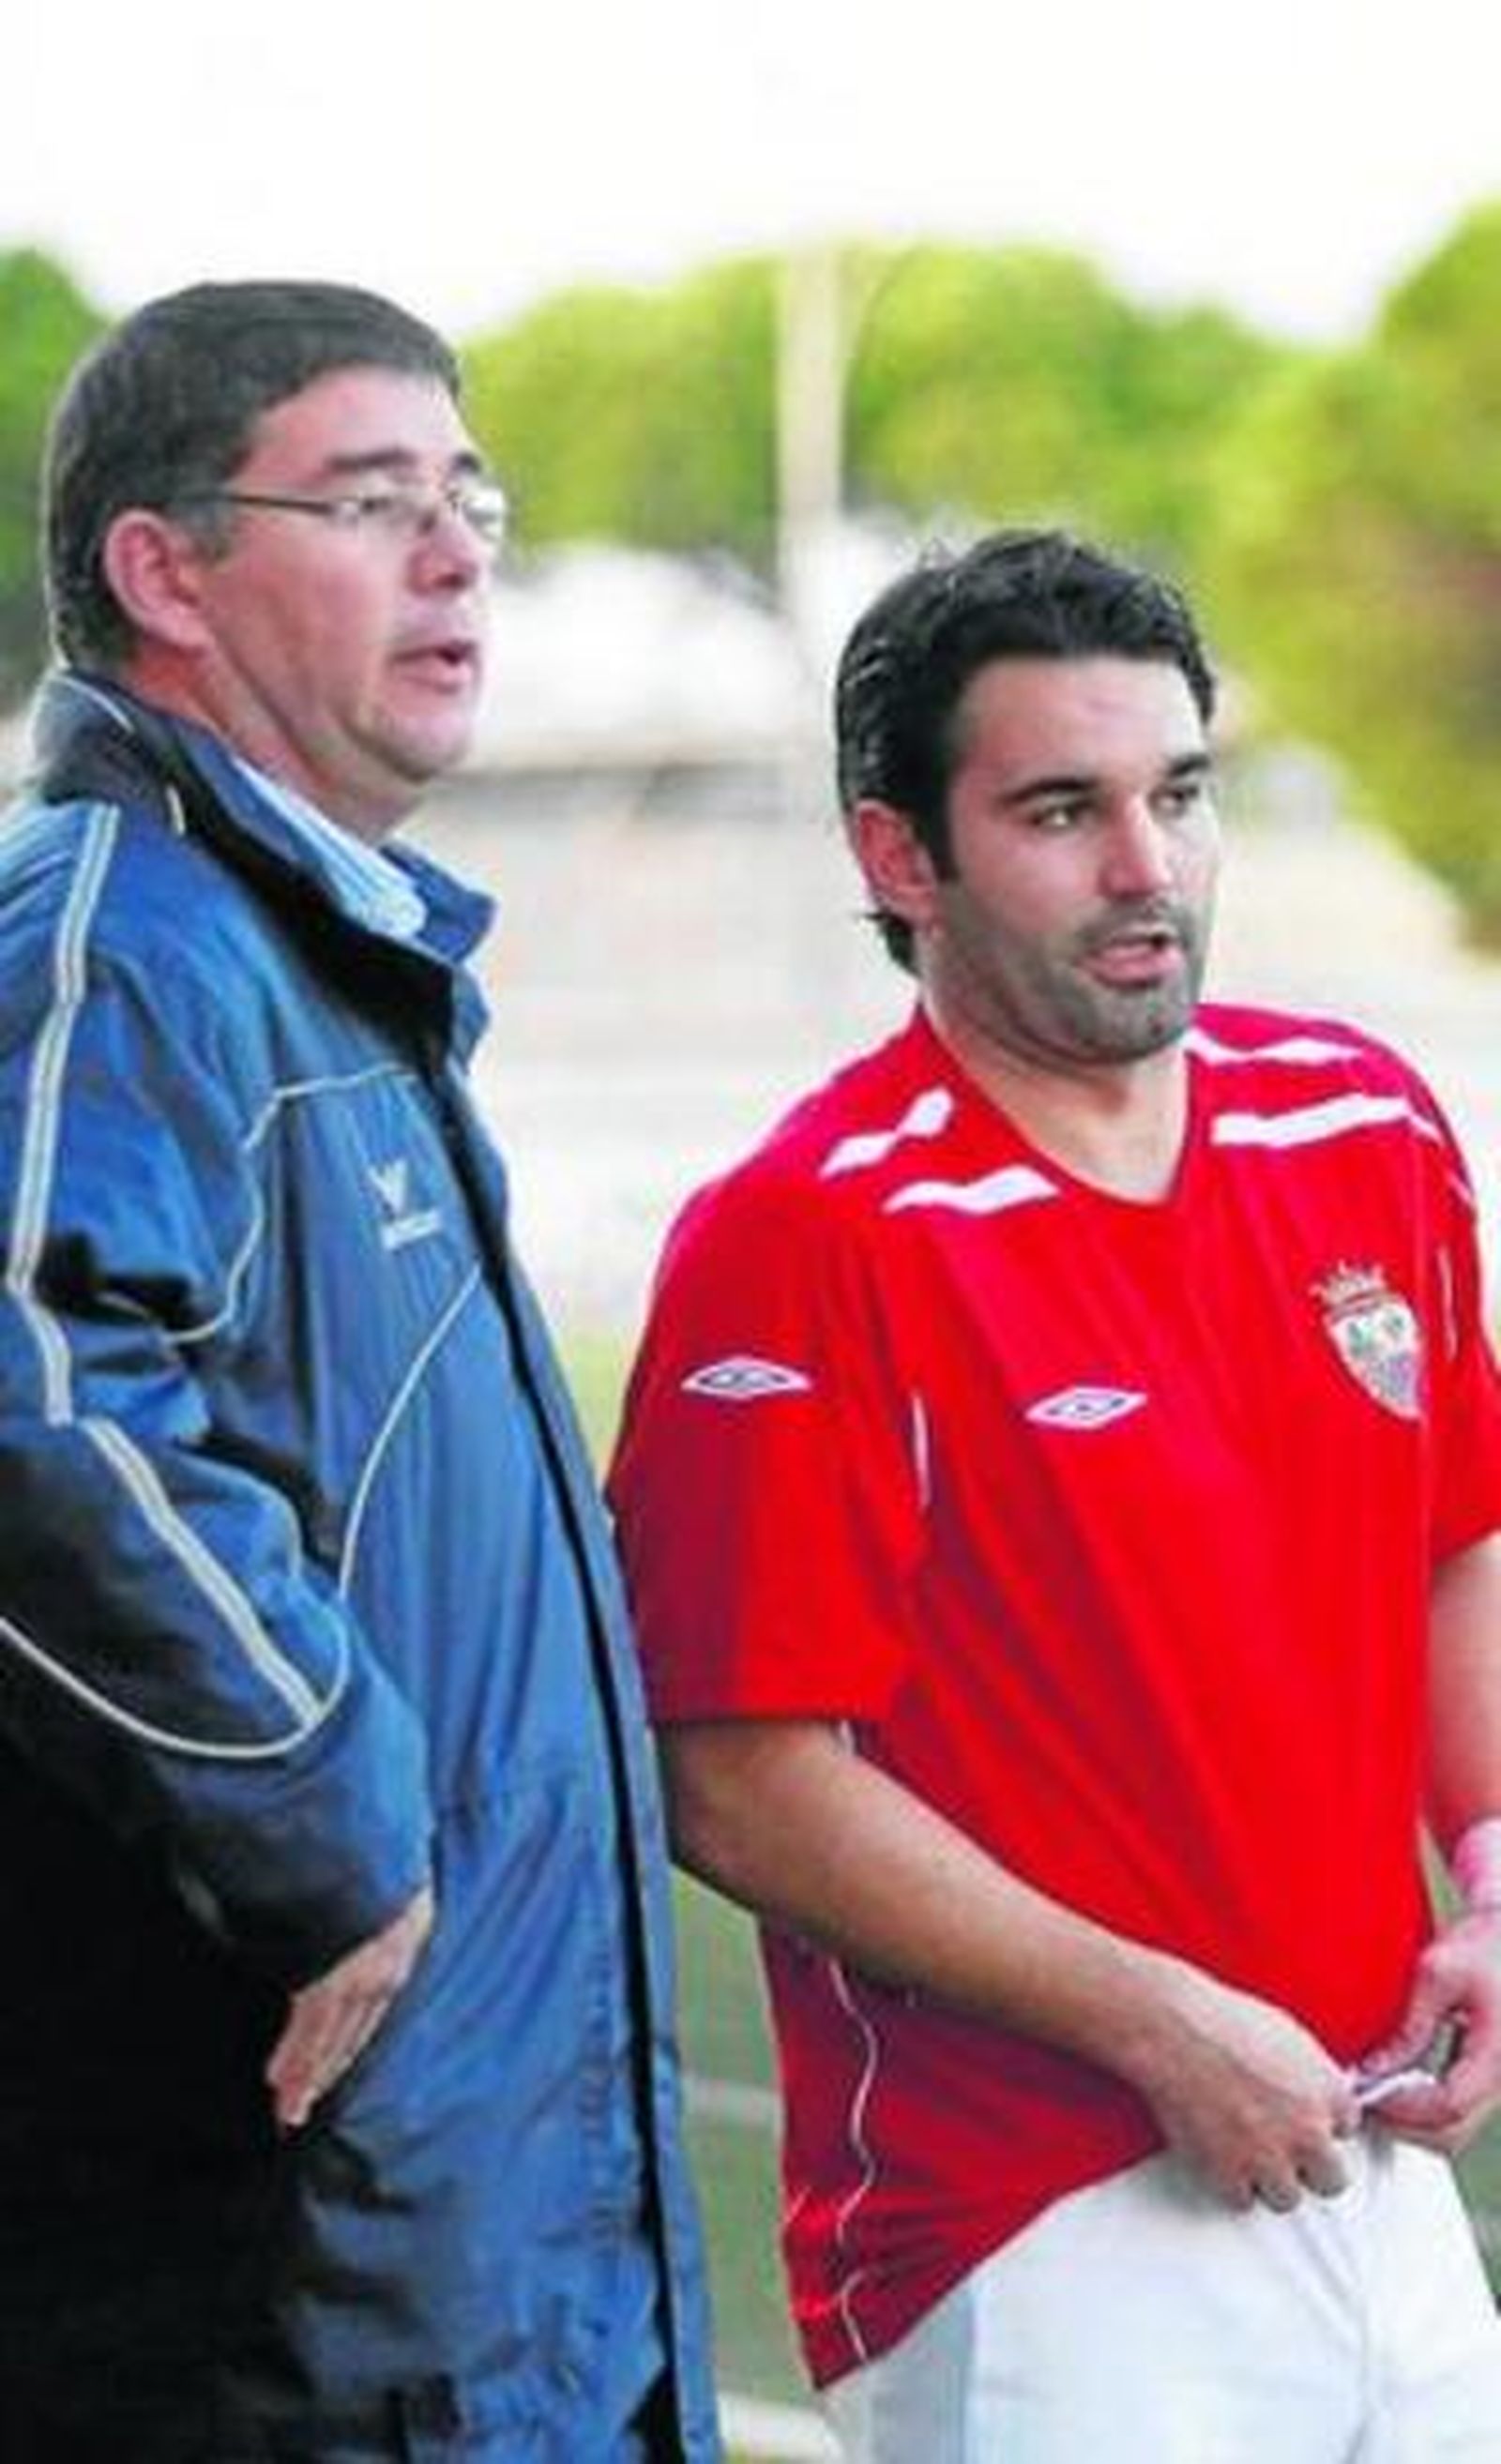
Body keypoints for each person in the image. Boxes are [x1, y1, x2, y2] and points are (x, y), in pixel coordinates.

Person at [609, 527, 1501, 2460]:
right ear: (896, 856)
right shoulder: (807, 1239)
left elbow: (1455, 1543)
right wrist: (1157, 2023)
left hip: (1371, 2162)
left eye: (1179, 792)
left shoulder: (1360, 1125)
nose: (1145, 868)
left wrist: (1495, 1865)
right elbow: (735, 1774)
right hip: (1031, 2231)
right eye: (1060, 811)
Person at [0, 280, 718, 2463]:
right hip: (296, 2284)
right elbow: (34, 1388)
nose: (456, 556)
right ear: (165, 573)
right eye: (375, 500)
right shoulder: (116, 935)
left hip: (482, 2249)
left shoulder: (313, 952)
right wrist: (328, 1828)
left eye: (469, 498)